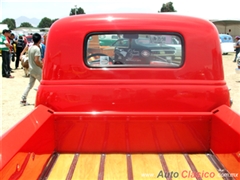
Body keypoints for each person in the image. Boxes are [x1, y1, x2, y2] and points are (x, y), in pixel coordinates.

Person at [21, 33, 43, 105]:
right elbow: (37, 60)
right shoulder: (37, 49)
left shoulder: (30, 48)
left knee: (30, 85)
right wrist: (42, 66)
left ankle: (23, 98)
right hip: (37, 70)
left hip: (31, 69)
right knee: (43, 84)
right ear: (39, 40)